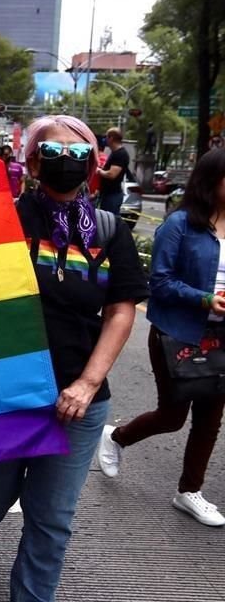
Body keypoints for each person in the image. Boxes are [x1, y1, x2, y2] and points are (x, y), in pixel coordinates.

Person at [0, 115, 148, 601]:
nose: (67, 163)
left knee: (51, 521)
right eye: (55, 153)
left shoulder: (109, 231)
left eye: (80, 154)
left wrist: (87, 384)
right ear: (33, 160)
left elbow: (122, 311)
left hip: (77, 402)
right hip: (4, 396)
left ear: (93, 164)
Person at [97, 148, 225, 527]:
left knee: (211, 417)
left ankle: (190, 491)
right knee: (172, 415)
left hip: (222, 333)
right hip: (179, 331)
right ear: (211, 180)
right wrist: (204, 299)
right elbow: (160, 281)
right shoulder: (180, 224)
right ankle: (117, 437)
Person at [96, 127, 130, 215]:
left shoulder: (120, 154)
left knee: (109, 221)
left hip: (112, 195)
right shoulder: (115, 153)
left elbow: (112, 174)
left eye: (106, 137)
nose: (105, 139)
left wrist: (99, 170)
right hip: (107, 194)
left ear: (111, 138)